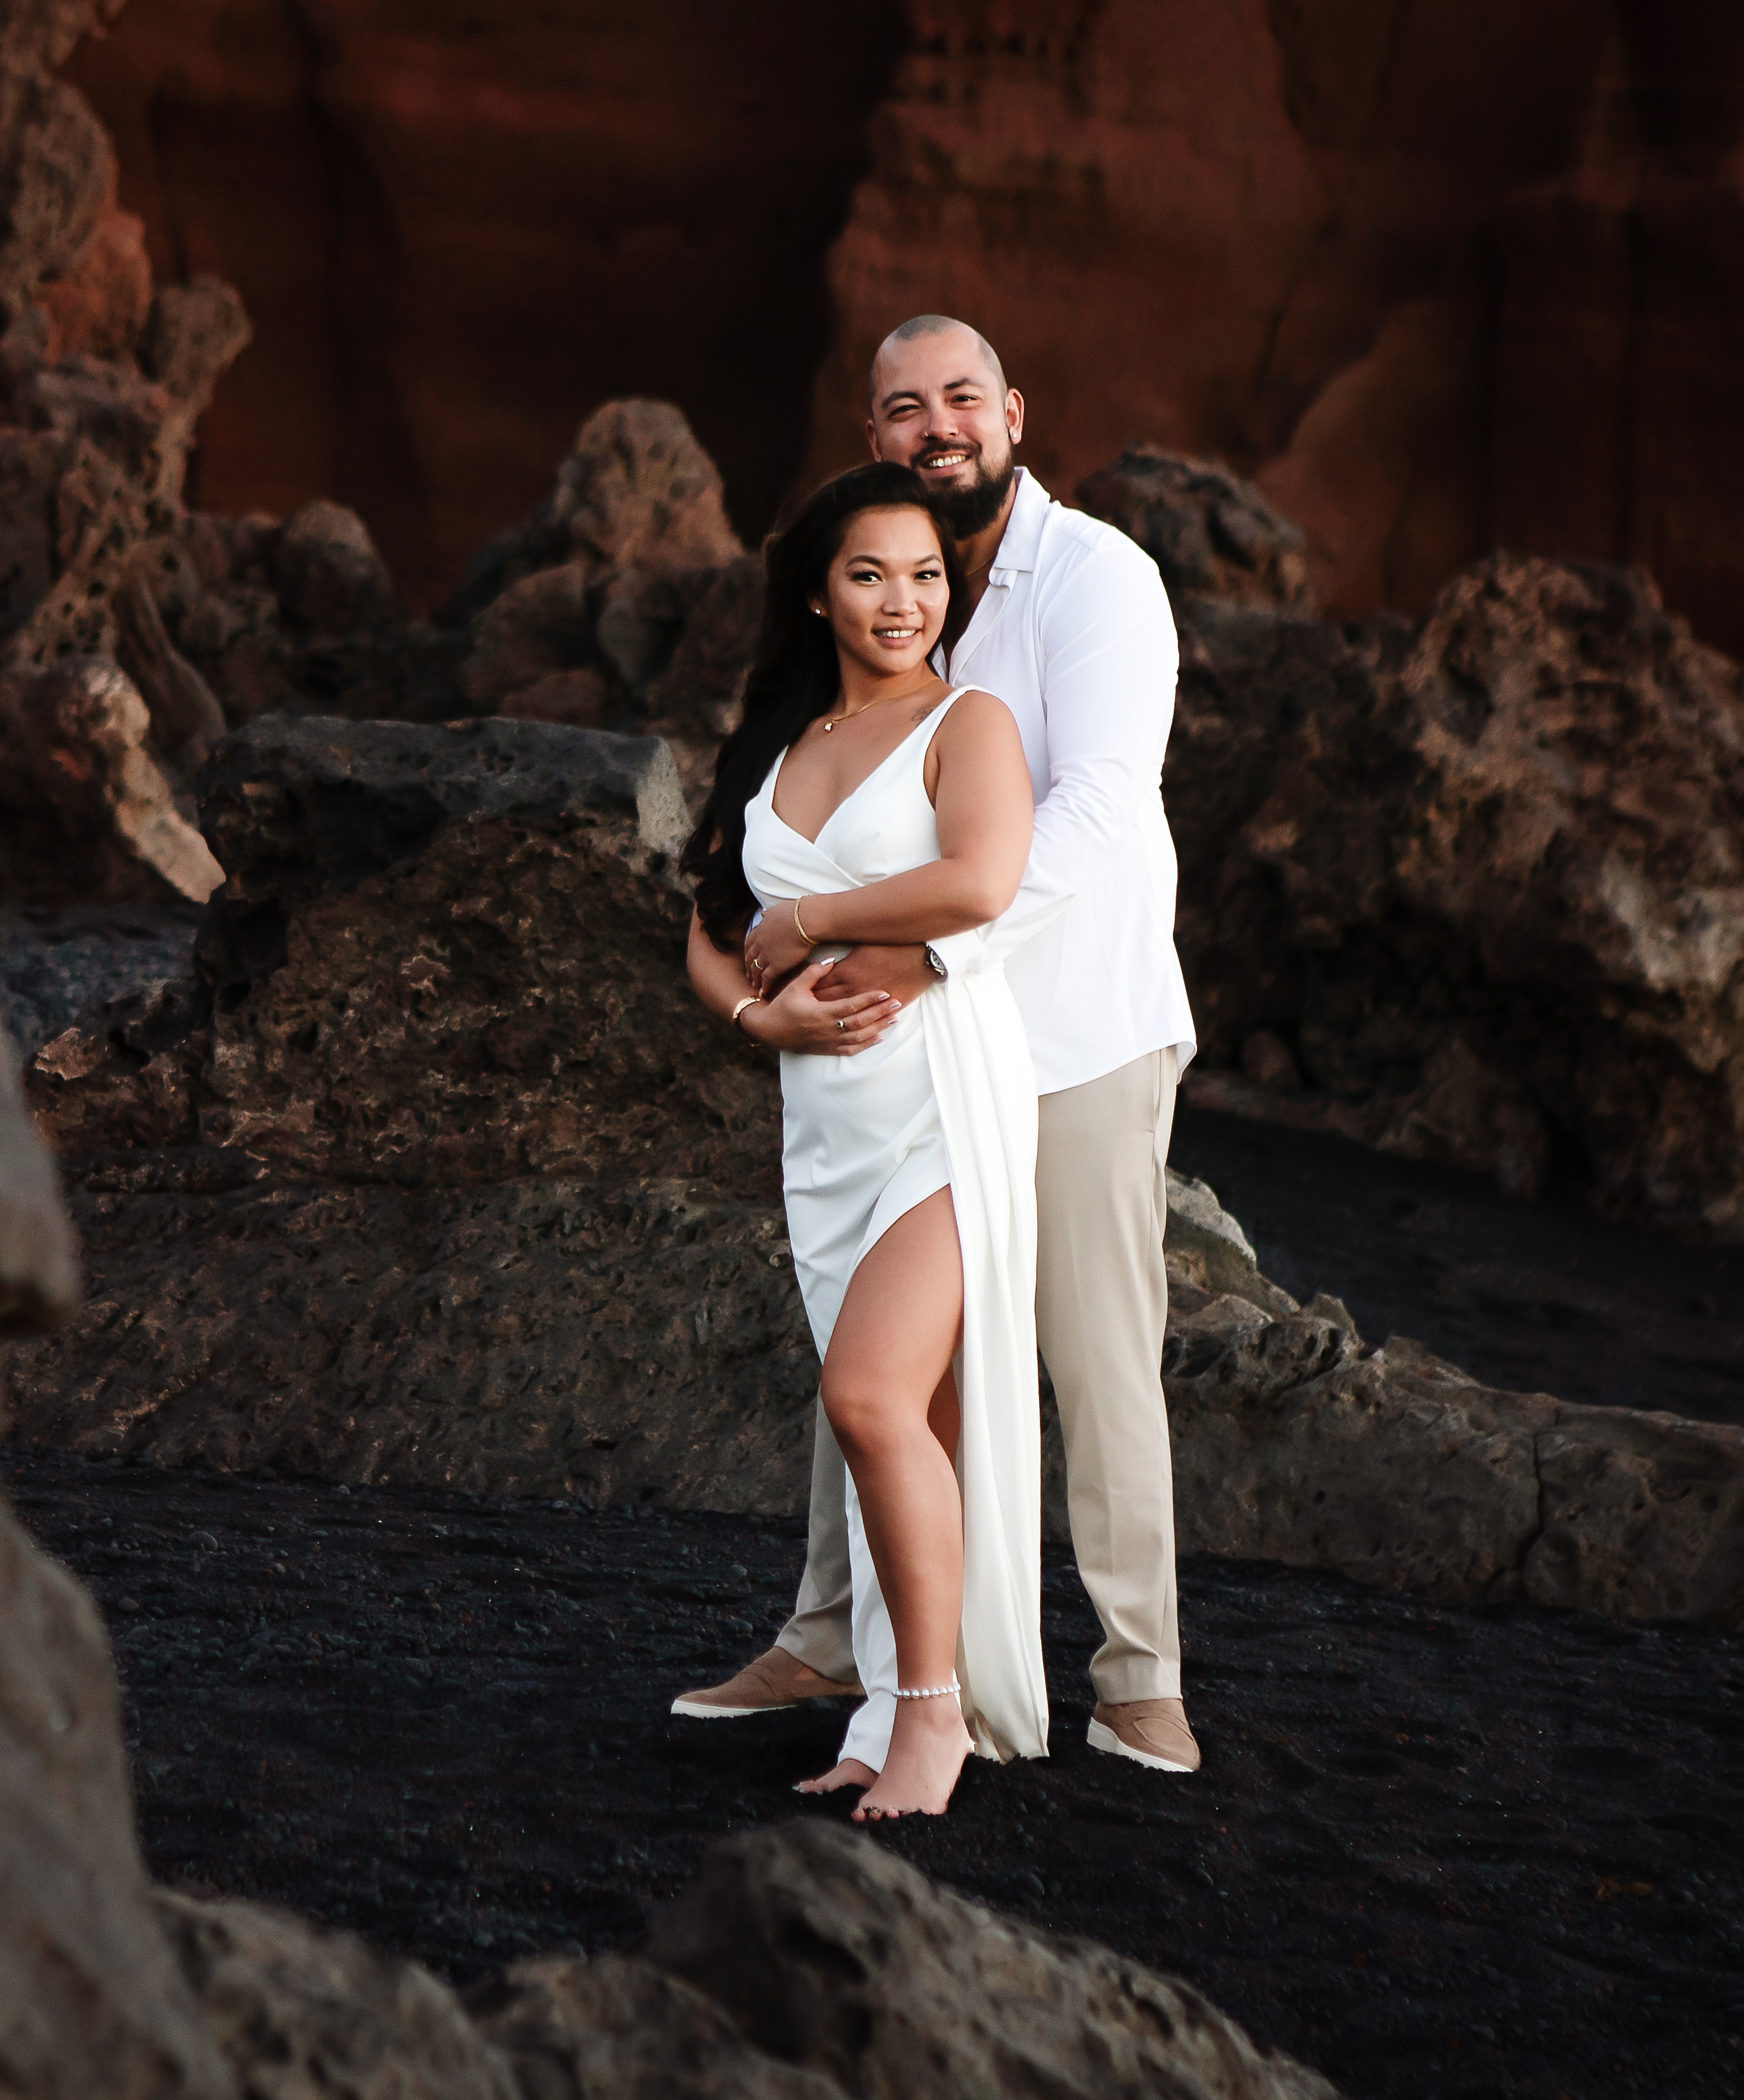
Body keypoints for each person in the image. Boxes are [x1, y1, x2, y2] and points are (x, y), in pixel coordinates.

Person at [672, 315, 1203, 1778]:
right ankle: (837, 1637)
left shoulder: (1097, 581)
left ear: (1015, 414)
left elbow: (1093, 813)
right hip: (901, 1060)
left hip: (1074, 1026)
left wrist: (915, 948)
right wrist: (771, 997)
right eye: (905, 408)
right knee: (872, 1360)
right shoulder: (895, 585)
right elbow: (745, 867)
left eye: (963, 398)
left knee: (1096, 1357)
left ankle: (1138, 1672)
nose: (938, 425)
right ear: (876, 434)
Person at [679, 460, 1046, 1821]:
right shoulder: (777, 737)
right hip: (823, 1122)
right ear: (818, 592)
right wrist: (758, 1026)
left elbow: (978, 879)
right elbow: (713, 929)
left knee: (869, 1400)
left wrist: (824, 926)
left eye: (927, 574)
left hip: (943, 1099)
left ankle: (937, 1723)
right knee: (914, 1425)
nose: (903, 601)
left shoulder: (968, 721)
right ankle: (889, 1710)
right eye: (869, 573)